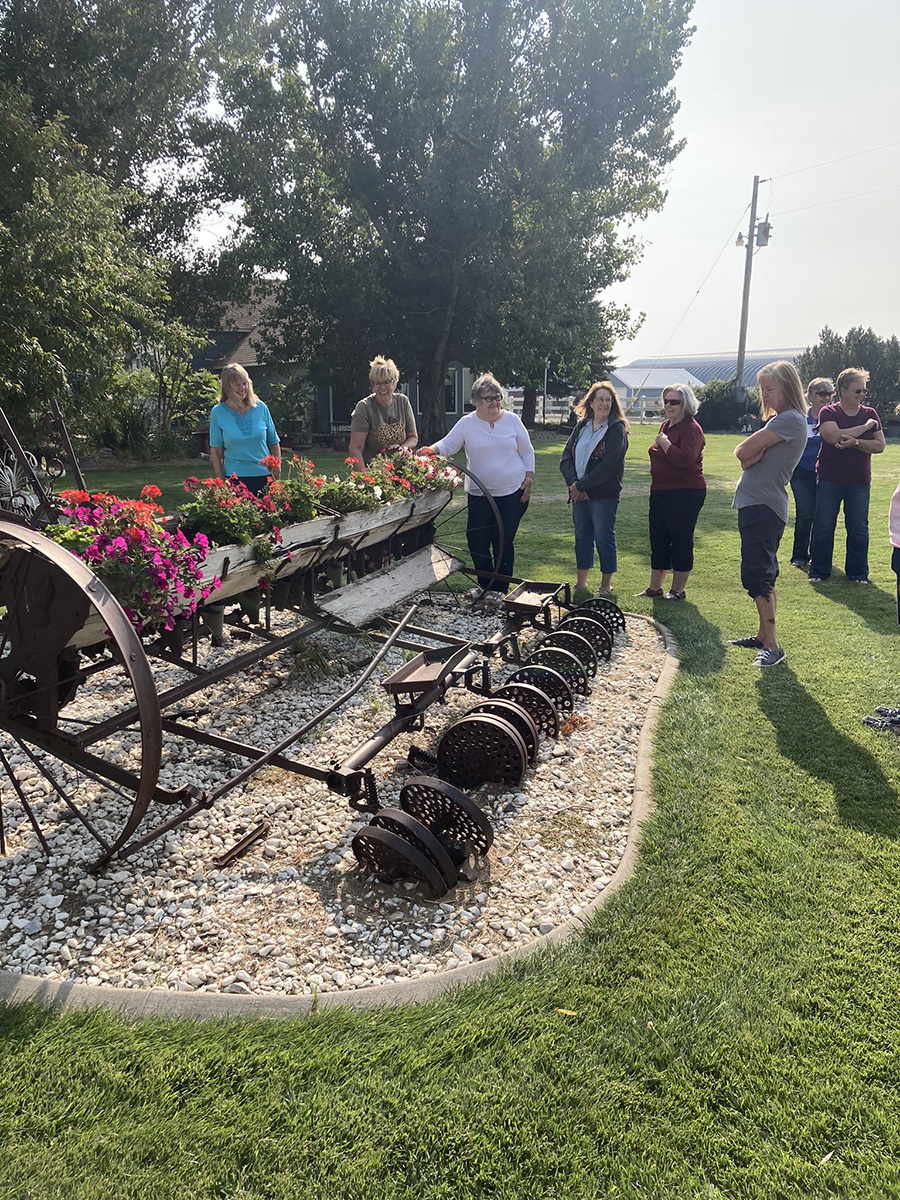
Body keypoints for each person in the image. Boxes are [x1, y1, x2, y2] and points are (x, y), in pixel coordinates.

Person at [424, 373, 534, 602]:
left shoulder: (512, 420)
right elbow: (448, 444)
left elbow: (527, 451)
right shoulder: (467, 423)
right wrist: (430, 451)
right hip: (480, 493)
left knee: (502, 539)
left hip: (512, 492)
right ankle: (485, 585)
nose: (495, 403)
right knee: (477, 540)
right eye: (489, 398)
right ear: (476, 401)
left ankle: (501, 588)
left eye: (498, 397)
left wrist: (528, 479)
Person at [728, 361, 809, 668]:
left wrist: (751, 455)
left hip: (764, 504)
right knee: (765, 571)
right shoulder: (781, 420)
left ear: (787, 388)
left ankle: (772, 645)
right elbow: (747, 458)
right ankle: (764, 636)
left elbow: (742, 452)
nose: (764, 394)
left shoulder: (788, 420)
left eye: (770, 389)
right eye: (761, 389)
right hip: (758, 503)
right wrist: (751, 456)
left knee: (757, 574)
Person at [808, 367, 885, 583]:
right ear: (842, 390)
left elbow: (880, 446)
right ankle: (819, 571)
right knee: (823, 526)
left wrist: (856, 443)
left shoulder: (871, 413)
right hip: (829, 479)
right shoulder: (828, 412)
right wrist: (864, 428)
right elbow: (832, 437)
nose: (862, 395)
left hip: (859, 481)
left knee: (859, 528)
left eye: (863, 392)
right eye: (857, 391)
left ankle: (858, 573)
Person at [559, 381, 629, 600]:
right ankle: (581, 583)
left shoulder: (616, 428)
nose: (604, 404)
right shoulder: (582, 426)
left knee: (604, 538)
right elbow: (565, 459)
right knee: (582, 537)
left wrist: (582, 486)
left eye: (609, 400)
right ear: (591, 402)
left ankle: (606, 585)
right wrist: (574, 485)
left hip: (603, 496)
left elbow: (609, 466)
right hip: (579, 494)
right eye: (600, 399)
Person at [637, 383, 706, 601]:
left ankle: (677, 590)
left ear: (685, 403)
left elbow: (685, 460)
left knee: (680, 538)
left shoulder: (692, 429)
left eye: (673, 402)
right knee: (658, 537)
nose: (668, 405)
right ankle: (654, 587)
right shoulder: (666, 426)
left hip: (685, 491)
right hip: (660, 490)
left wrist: (665, 443)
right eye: (665, 401)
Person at [209, 363, 280, 496]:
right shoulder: (218, 412)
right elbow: (216, 451)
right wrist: (220, 481)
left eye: (245, 383)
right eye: (237, 385)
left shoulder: (261, 408)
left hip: (264, 476)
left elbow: (273, 442)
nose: (243, 388)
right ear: (228, 387)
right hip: (235, 478)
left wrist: (277, 471)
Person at [788, 377, 834, 567]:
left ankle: (819, 555)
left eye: (830, 394)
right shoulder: (800, 417)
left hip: (826, 472)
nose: (826, 397)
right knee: (805, 512)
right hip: (802, 472)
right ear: (810, 396)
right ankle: (799, 555)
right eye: (821, 393)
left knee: (822, 515)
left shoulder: (833, 417)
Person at [348, 356, 418, 465]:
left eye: (386, 382)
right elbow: (355, 449)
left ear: (394, 383)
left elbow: (413, 437)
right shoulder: (364, 407)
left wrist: (402, 448)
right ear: (373, 385)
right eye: (378, 383)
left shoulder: (403, 401)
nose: (382, 387)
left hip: (400, 466)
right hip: (374, 469)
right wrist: (364, 477)